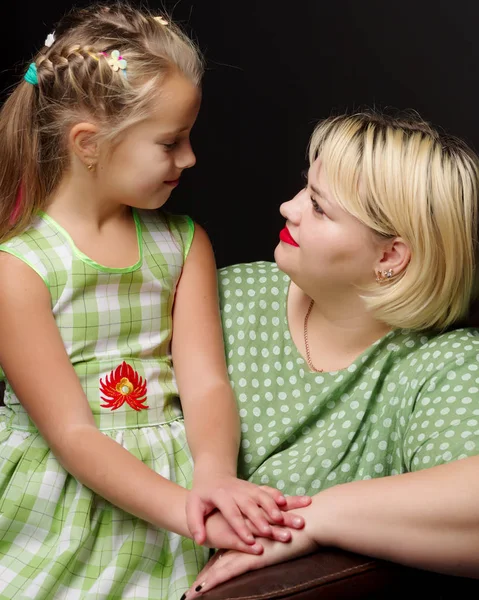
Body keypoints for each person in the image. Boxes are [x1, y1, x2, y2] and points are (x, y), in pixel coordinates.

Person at [0, 4, 310, 599]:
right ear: (89, 144)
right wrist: (187, 511)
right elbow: (72, 434)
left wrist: (214, 476)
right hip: (65, 494)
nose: (190, 159)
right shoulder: (21, 268)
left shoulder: (183, 245)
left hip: (180, 480)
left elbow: (206, 385)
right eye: (171, 142)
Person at [186, 110, 479, 596]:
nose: (288, 207)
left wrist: (315, 520)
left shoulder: (439, 366)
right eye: (306, 188)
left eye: (320, 208)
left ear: (390, 256)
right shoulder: (223, 295)